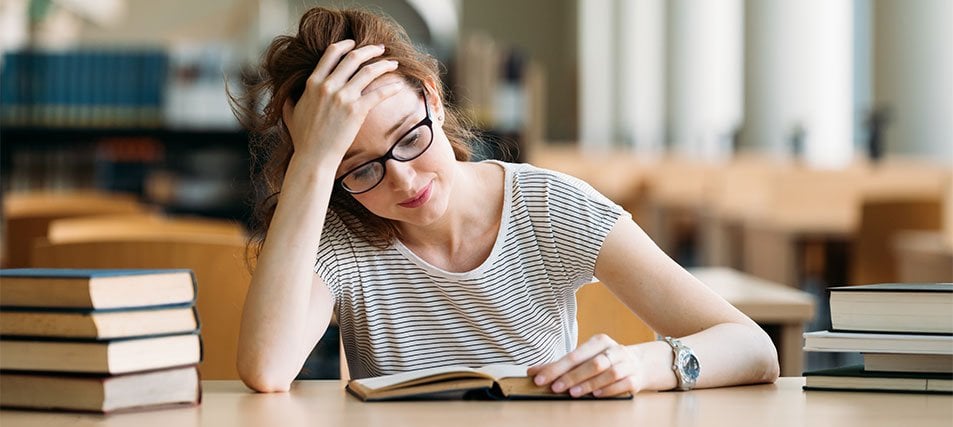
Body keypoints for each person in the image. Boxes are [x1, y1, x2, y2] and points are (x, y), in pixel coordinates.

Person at [234, 6, 779, 396]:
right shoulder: (340, 241)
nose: (401, 180)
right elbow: (267, 369)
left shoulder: (546, 205)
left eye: (408, 137)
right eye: (360, 167)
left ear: (432, 96)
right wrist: (313, 162)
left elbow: (754, 348)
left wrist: (645, 363)